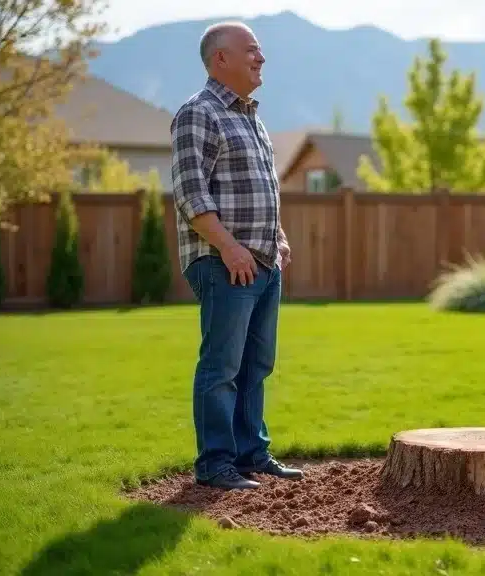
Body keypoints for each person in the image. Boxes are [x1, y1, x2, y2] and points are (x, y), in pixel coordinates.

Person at [170, 21, 302, 490]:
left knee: (256, 364)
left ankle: (251, 454)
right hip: (221, 261)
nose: (261, 58)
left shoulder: (252, 118)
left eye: (261, 52)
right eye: (252, 51)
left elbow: (261, 191)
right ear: (219, 58)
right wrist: (228, 247)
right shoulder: (198, 113)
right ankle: (215, 464)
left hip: (263, 262)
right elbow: (190, 193)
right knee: (221, 366)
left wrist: (278, 236)